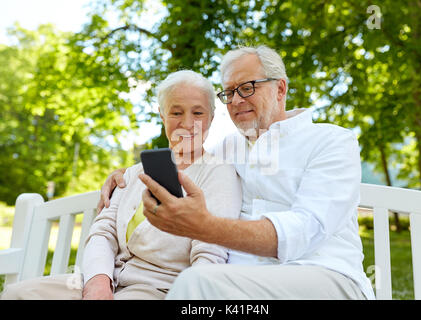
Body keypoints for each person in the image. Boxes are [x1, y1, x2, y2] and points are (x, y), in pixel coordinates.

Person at [97, 45, 376, 300]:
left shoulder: (331, 141)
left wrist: (205, 226)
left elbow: (305, 230)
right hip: (238, 287)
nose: (236, 100)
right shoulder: (229, 148)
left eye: (247, 88)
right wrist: (128, 173)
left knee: (196, 286)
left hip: (325, 278)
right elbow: (188, 159)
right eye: (228, 92)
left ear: (280, 89)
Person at [0, 70, 242, 300]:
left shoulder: (218, 173)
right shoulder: (137, 171)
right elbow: (103, 231)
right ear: (162, 115)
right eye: (176, 113)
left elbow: (209, 253)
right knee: (15, 294)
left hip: (159, 288)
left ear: (211, 116)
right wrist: (98, 281)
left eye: (197, 113)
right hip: (102, 278)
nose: (187, 123)